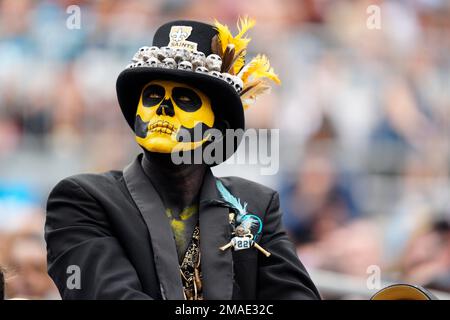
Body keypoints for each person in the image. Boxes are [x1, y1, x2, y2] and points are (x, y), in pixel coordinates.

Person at [45, 18, 320, 300]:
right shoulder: (84, 199)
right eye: (152, 95)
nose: (164, 108)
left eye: (186, 99)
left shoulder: (256, 206)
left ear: (219, 127)